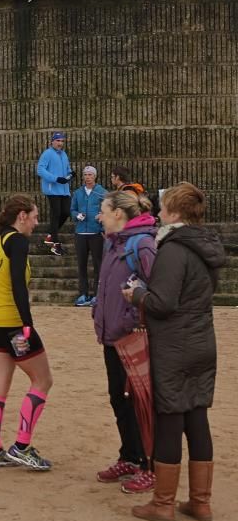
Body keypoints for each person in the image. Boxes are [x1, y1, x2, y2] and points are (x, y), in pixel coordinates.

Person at [123, 182, 226, 521]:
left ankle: (163, 503)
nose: (158, 211)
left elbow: (163, 303)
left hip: (174, 345)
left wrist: (137, 294)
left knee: (170, 418)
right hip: (202, 342)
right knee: (197, 417)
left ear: (175, 212)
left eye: (163, 206)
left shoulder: (172, 248)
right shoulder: (205, 246)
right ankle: (201, 502)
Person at [0, 194, 54, 471]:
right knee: (42, 380)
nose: (35, 223)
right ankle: (21, 445)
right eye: (34, 217)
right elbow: (18, 287)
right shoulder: (17, 241)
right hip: (12, 324)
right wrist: (27, 324)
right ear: (21, 215)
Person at [92, 190, 158, 493]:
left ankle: (149, 465)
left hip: (132, 337)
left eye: (103, 210)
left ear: (118, 213)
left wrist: (131, 319)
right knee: (119, 399)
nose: (99, 216)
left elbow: (156, 290)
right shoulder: (112, 244)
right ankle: (129, 456)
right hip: (111, 336)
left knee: (140, 403)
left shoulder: (142, 243)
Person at [70, 166, 106, 306]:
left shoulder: (102, 193)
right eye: (85, 174)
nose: (87, 177)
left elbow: (107, 210)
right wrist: (76, 215)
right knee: (82, 265)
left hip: (96, 233)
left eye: (90, 174)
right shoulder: (78, 193)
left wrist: (102, 225)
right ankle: (83, 294)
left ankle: (97, 295)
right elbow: (72, 209)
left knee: (98, 265)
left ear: (95, 176)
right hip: (80, 233)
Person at [36, 131, 72, 256]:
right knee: (56, 213)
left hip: (64, 189)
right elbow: (40, 170)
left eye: (62, 141)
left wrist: (71, 174)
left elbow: (68, 169)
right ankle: (55, 244)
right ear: (52, 141)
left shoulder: (64, 154)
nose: (60, 143)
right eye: (58, 141)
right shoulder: (47, 153)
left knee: (66, 212)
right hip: (52, 189)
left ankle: (51, 235)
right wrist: (55, 178)